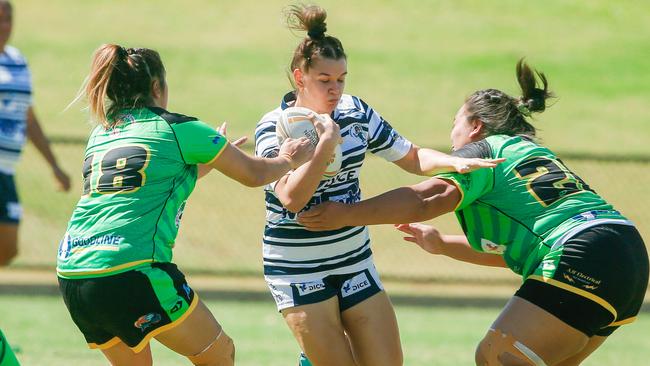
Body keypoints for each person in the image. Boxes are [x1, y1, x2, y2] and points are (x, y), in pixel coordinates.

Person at [298, 60, 649, 365]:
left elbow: (427, 199)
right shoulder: (529, 152)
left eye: (456, 122)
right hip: (628, 256)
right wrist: (443, 244)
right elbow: (527, 255)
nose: (452, 134)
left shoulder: (484, 153)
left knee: (495, 356)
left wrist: (347, 213)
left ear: (476, 126)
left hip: (581, 252)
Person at [254, 5, 502, 366]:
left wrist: (455, 161)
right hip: (297, 267)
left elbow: (412, 156)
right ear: (300, 77)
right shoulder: (274, 126)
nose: (335, 89)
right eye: (324, 80)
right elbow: (291, 199)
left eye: (341, 79)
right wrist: (325, 145)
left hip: (354, 258)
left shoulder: (357, 113)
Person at [57, 44, 314, 366]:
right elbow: (254, 174)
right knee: (219, 354)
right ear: (157, 87)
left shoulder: (103, 132)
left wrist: (207, 161)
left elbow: (142, 185)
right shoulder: (178, 127)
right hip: (129, 268)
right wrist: (290, 158)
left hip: (74, 272)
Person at [0, 0, 70, 265]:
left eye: (8, 18)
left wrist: (54, 165)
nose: (4, 25)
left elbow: (27, 117)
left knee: (8, 248)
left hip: (6, 168)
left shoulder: (17, 61)